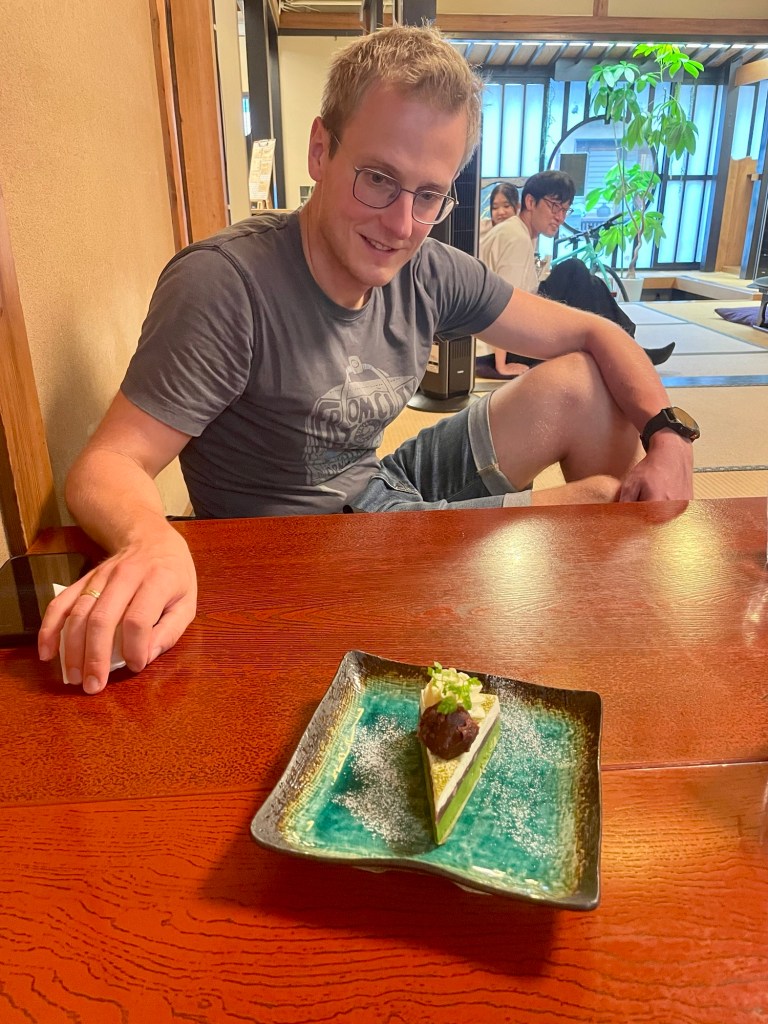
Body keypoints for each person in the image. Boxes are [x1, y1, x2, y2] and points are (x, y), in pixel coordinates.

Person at [39, 25, 695, 696]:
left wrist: (669, 434)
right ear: (321, 150)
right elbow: (107, 463)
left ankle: (604, 647)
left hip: (381, 486)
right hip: (301, 557)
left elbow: (596, 334)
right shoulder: (226, 286)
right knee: (601, 502)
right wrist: (148, 537)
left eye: (428, 194)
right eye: (379, 179)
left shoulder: (429, 268)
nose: (401, 224)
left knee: (586, 387)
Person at [476, 169, 674, 377]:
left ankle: (628, 348)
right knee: (574, 270)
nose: (560, 218)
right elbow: (505, 303)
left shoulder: (520, 232)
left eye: (565, 210)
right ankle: (628, 351)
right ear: (530, 202)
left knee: (592, 284)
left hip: (511, 335)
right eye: (555, 207)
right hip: (502, 347)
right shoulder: (515, 236)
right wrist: (501, 366)